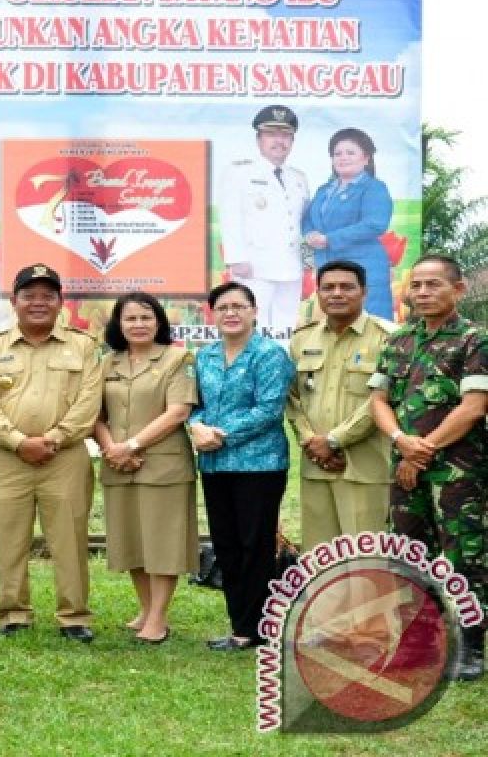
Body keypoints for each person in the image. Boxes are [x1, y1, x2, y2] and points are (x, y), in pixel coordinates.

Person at [369, 254, 487, 681]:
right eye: (416, 285)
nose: (422, 292)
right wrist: (403, 443)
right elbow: (379, 400)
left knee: (464, 556)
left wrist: (426, 449)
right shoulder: (398, 341)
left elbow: (474, 406)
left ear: (457, 290)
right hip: (406, 469)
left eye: (432, 284)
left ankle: (472, 646)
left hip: (457, 475)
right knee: (407, 551)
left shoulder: (475, 340)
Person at [0, 264, 103, 643]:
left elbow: (88, 402)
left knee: (70, 538)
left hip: (66, 458)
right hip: (8, 459)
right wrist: (18, 441)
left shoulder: (83, 345)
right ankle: (13, 613)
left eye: (48, 296)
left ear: (61, 302)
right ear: (14, 301)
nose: (38, 303)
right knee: (9, 538)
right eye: (29, 295)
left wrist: (55, 438)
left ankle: (73, 616)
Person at [189, 281, 295, 652]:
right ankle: (240, 625)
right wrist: (197, 426)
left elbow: (268, 410)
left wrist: (220, 433)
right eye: (223, 308)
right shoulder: (204, 356)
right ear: (212, 315)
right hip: (215, 465)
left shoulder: (270, 355)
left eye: (238, 306)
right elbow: (194, 404)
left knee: (256, 545)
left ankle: (261, 628)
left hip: (260, 465)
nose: (231, 313)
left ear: (253, 311)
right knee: (227, 545)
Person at [92, 293, 198, 646]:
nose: (138, 325)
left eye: (146, 318)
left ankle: (158, 618)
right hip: (118, 465)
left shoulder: (177, 357)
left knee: (162, 542)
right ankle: (146, 607)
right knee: (132, 540)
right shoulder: (108, 363)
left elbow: (178, 412)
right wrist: (111, 449)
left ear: (159, 322)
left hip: (163, 466)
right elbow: (94, 415)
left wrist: (132, 446)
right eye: (130, 318)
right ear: (118, 325)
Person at [287, 260, 395, 550]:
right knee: (320, 560)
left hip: (366, 467)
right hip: (316, 467)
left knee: (367, 559)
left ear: (364, 292)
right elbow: (292, 399)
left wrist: (335, 441)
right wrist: (311, 441)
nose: (336, 293)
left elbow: (382, 400)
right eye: (328, 287)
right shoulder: (301, 339)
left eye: (347, 287)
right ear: (317, 294)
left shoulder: (389, 338)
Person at [218, 105, 310, 331]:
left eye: (286, 135)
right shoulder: (239, 173)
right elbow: (230, 216)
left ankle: (282, 366)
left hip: (291, 265)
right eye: (272, 134)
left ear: (292, 141)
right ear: (259, 139)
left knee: (286, 326)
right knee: (252, 324)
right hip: (253, 266)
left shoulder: (299, 178)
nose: (280, 141)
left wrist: (308, 260)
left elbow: (303, 222)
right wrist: (236, 257)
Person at [302, 128, 395, 320]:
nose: (343, 158)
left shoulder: (374, 187)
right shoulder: (324, 189)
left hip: (365, 270)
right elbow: (307, 217)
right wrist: (309, 233)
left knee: (371, 327)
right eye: (337, 153)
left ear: (366, 158)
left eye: (350, 153)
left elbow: (375, 224)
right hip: (329, 268)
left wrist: (329, 239)